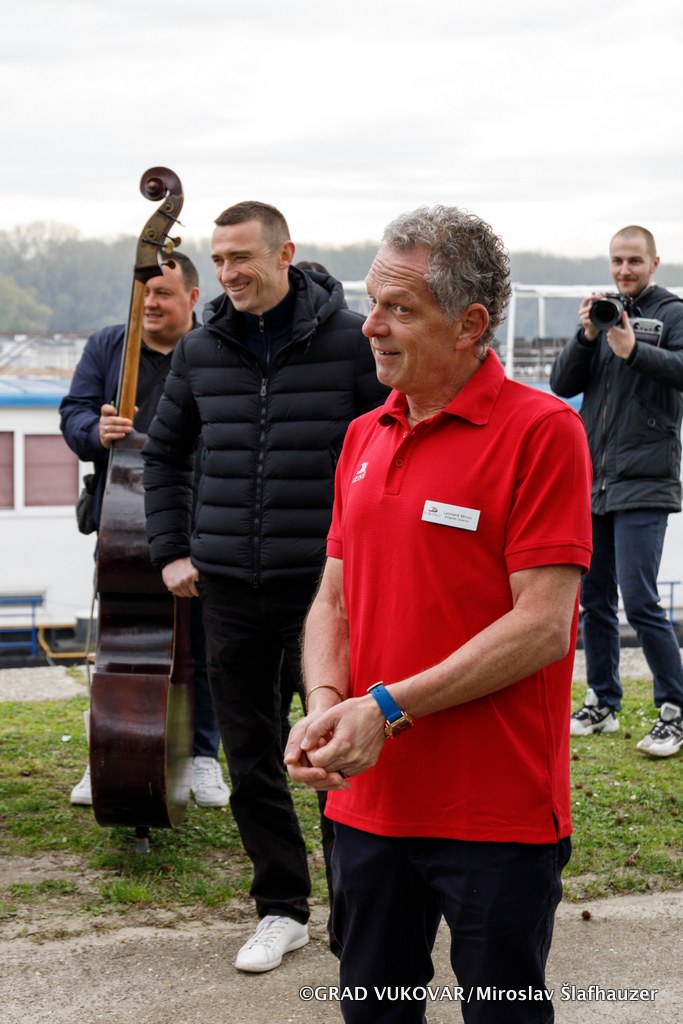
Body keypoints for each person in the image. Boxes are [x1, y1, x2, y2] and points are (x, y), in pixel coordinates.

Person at [285, 205, 593, 1024]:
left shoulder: (543, 432)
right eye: (372, 303)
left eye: (400, 309)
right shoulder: (363, 435)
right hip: (366, 801)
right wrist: (326, 706)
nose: (370, 326)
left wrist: (385, 708)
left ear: (469, 324)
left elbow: (542, 625)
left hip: (494, 811)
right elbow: (333, 599)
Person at [141, 201, 388, 973]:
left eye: (240, 257)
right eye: (217, 259)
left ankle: (358, 912)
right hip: (228, 590)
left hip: (326, 591)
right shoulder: (200, 348)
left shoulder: (350, 341)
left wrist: (374, 560)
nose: (227, 272)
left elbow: (392, 451)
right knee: (250, 760)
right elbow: (163, 456)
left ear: (284, 254)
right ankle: (281, 908)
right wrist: (170, 550)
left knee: (334, 752)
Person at [59, 254, 230, 808]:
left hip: (200, 515)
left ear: (192, 297)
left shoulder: (215, 349)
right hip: (123, 522)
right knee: (119, 640)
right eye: (144, 294)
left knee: (201, 644)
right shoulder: (109, 346)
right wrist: (96, 430)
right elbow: (73, 413)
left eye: (162, 293)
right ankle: (110, 751)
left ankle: (202, 755)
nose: (150, 304)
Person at [551, 225, 683, 757]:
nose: (624, 270)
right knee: (594, 598)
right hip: (595, 479)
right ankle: (602, 703)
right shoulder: (603, 313)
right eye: (617, 261)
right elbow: (562, 384)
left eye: (634, 260)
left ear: (654, 263)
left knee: (641, 598)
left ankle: (674, 710)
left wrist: (633, 351)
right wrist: (587, 336)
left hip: (646, 479)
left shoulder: (671, 314)